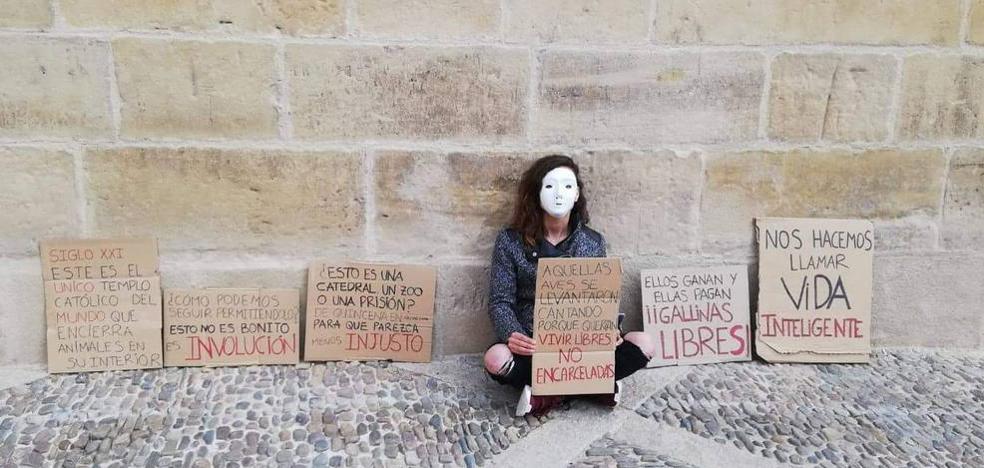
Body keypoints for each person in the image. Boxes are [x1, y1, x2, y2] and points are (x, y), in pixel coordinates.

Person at [484, 155, 656, 417]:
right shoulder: (510, 241)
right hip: (534, 343)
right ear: (536, 193)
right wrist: (514, 335)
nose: (558, 195)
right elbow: (500, 301)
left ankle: (549, 391)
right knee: (495, 359)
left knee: (644, 343)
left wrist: (609, 330)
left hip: (581, 346)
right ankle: (590, 386)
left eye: (567, 186)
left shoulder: (592, 241)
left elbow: (601, 299)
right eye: (550, 186)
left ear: (576, 194)